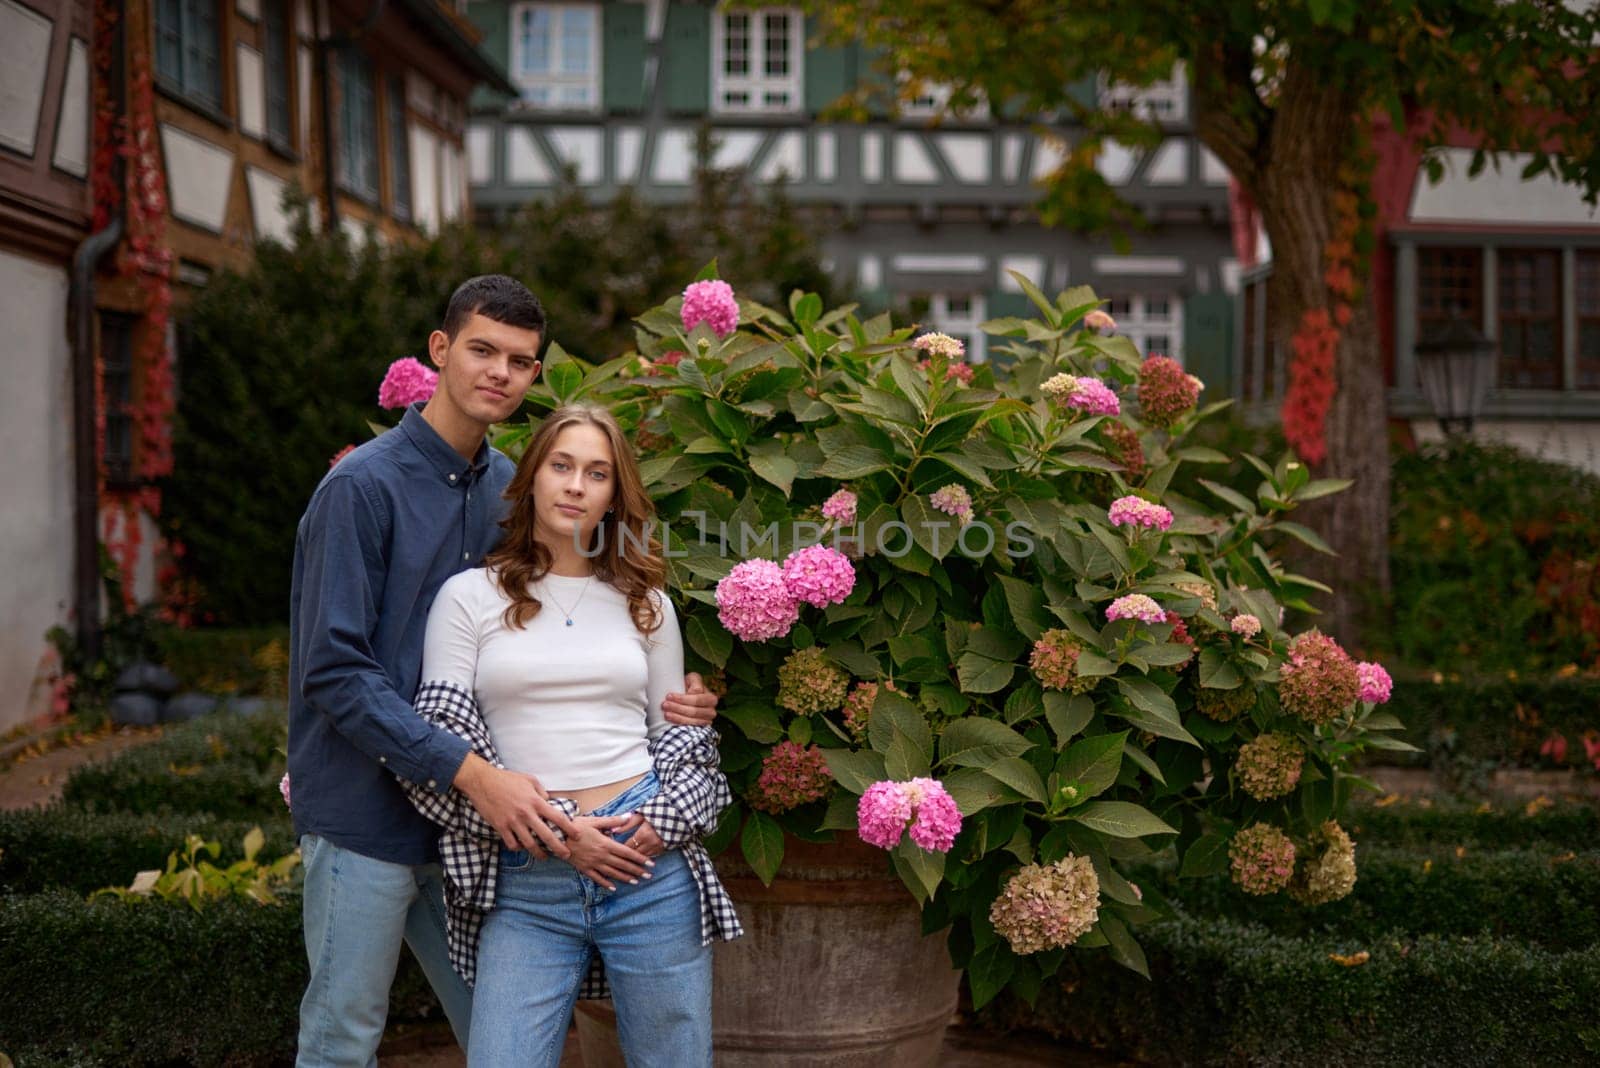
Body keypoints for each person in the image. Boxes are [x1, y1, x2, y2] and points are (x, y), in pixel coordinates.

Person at [287, 276, 720, 1067]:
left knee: (501, 1039)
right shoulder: (361, 488)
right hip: (368, 815)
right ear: (440, 351)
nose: (500, 373)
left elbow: (565, 614)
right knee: (344, 1035)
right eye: (482, 350)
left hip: (488, 840)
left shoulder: (509, 488)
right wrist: (473, 773)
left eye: (520, 361)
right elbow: (334, 670)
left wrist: (677, 702)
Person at [411, 404, 742, 1068]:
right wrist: (563, 831)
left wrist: (662, 819)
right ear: (531, 476)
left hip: (645, 860)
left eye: (596, 473)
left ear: (614, 495)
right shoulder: (468, 598)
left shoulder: (647, 603)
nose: (574, 486)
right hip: (528, 874)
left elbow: (676, 737)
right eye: (561, 466)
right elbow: (442, 739)